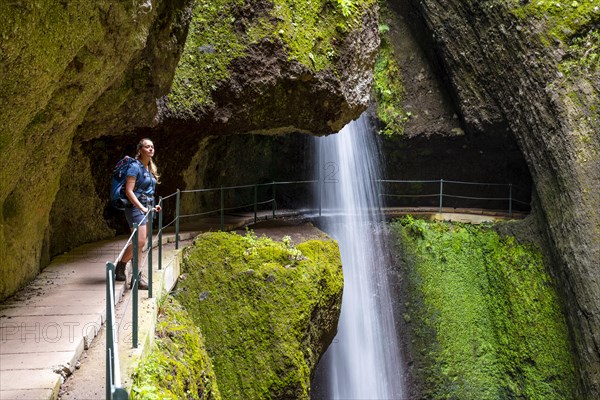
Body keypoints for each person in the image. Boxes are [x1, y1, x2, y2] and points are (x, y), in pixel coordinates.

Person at [115, 138, 161, 289]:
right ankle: (121, 265)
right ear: (140, 149)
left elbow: (150, 190)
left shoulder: (150, 167)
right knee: (139, 241)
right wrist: (141, 207)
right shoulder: (135, 167)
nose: (150, 149)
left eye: (152, 147)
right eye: (147, 147)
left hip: (148, 206)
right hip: (136, 207)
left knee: (141, 243)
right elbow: (129, 191)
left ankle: (137, 277)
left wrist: (154, 206)